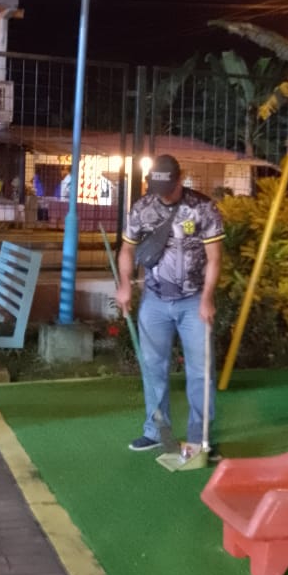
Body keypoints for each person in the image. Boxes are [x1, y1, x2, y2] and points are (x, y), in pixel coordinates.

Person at [116, 154, 224, 458]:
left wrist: (207, 298)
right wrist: (125, 284)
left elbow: (215, 258)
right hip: (154, 300)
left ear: (180, 179)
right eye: (157, 189)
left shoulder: (203, 208)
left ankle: (200, 437)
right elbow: (127, 250)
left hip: (193, 301)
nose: (162, 196)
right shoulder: (142, 207)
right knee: (153, 368)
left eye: (168, 189)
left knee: (201, 371)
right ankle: (155, 431)